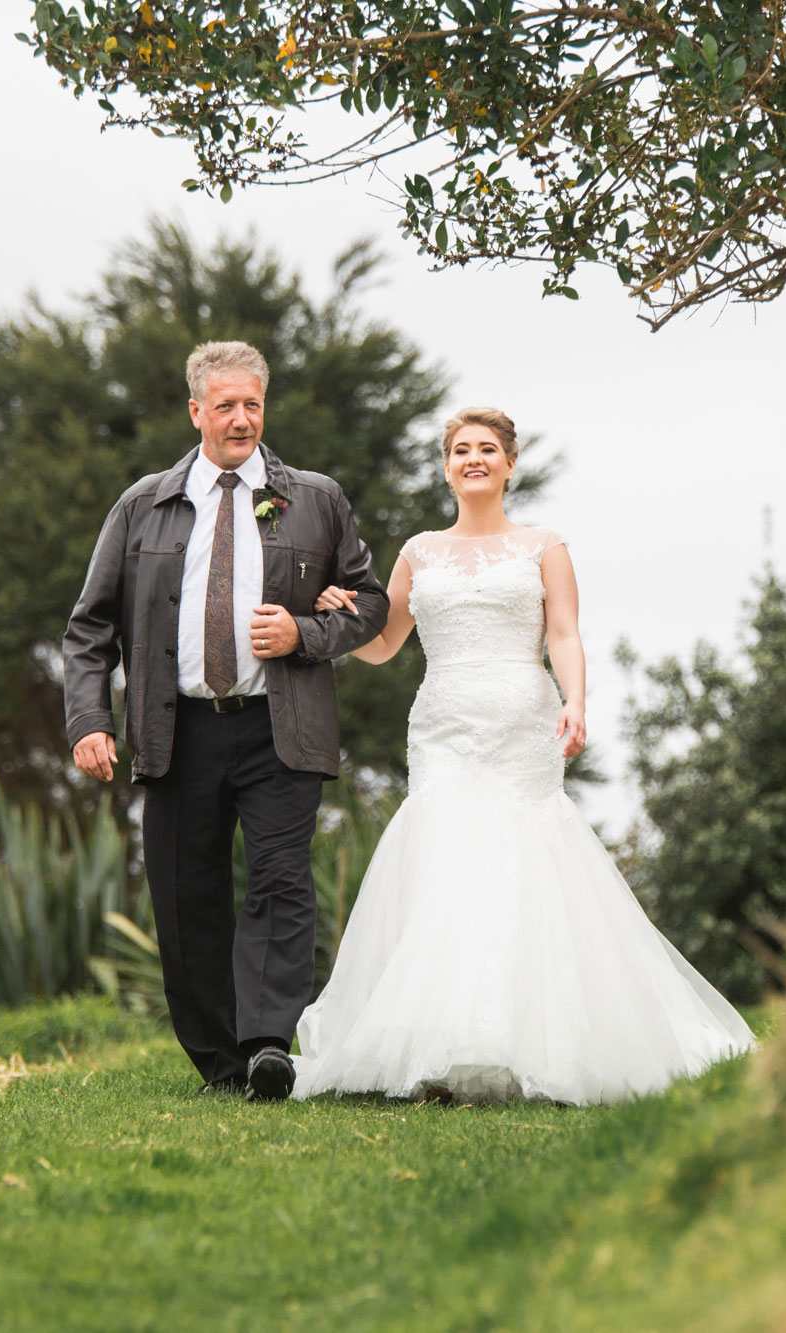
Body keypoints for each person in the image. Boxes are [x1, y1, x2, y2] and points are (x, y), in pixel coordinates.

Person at [293, 407, 754, 1104]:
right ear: (446, 467)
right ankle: (440, 1043)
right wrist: (340, 617)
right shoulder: (419, 551)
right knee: (447, 862)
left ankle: (526, 1037)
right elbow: (386, 643)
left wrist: (576, 701)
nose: (472, 458)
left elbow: (564, 634)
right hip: (443, 727)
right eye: (459, 450)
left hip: (522, 724)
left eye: (486, 449)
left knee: (521, 858)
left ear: (510, 464)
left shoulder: (544, 545)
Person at [60, 340, 389, 1101]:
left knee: (279, 880)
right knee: (186, 895)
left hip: (281, 724)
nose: (242, 419)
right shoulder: (144, 503)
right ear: (196, 411)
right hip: (176, 731)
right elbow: (89, 627)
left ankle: (269, 1045)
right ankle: (219, 1063)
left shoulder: (316, 497)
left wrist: (306, 634)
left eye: (254, 404)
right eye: (227, 405)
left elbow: (369, 604)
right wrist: (88, 720)